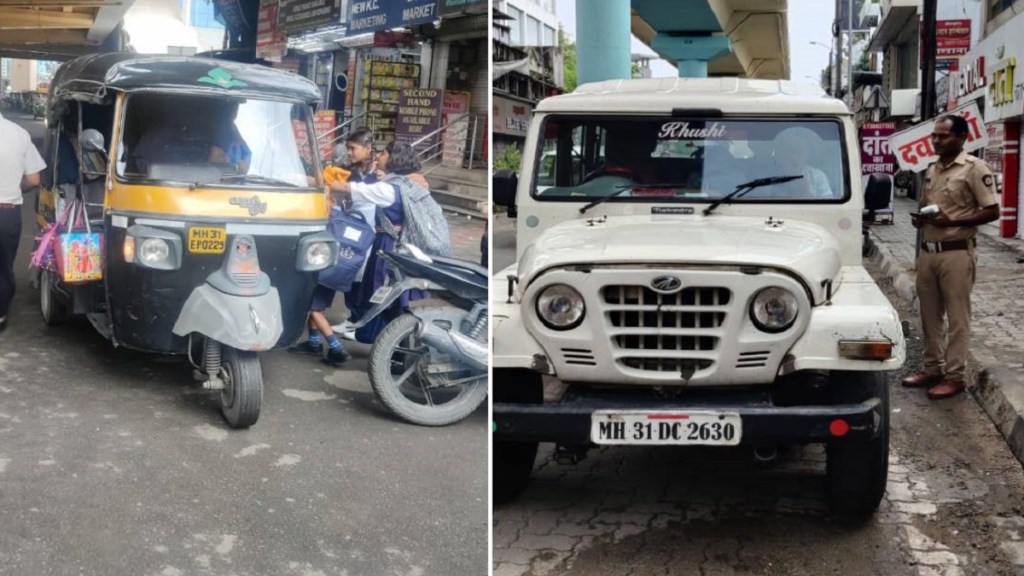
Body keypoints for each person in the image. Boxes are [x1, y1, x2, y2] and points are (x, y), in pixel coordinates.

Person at [901, 115, 1000, 399]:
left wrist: (951, 222)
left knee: (958, 318)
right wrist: (922, 220)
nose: (936, 140)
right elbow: (929, 206)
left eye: (943, 136)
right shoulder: (933, 169)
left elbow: (992, 211)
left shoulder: (973, 168)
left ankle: (955, 376)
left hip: (957, 253)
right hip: (929, 253)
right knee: (929, 315)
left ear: (961, 138)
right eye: (934, 135)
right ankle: (933, 368)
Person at [329, 140, 429, 343]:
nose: (378, 157)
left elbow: (353, 189)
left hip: (390, 245)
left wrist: (329, 180)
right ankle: (386, 339)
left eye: (383, 153)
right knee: (389, 293)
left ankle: (386, 339)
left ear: (394, 158)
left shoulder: (391, 189)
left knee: (383, 291)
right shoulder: (407, 183)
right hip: (398, 244)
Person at [0, 109, 47, 333]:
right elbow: (33, 179)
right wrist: (14, 188)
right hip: (6, 213)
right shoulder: (19, 134)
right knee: (3, 265)